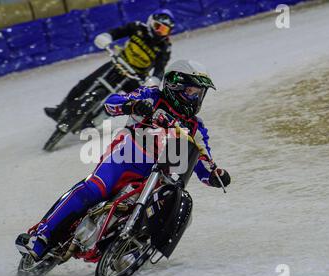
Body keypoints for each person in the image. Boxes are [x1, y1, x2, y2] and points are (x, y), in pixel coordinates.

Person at [19, 60, 231, 260]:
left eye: (199, 93)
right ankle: (41, 236)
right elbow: (111, 104)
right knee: (95, 189)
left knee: (166, 205)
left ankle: (129, 250)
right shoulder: (152, 96)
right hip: (125, 157)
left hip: (157, 175)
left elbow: (202, 158)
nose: (196, 98)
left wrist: (214, 175)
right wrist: (132, 106)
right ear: (175, 86)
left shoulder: (195, 126)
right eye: (191, 92)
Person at [44, 9, 175, 122]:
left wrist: (154, 80)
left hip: (135, 76)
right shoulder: (137, 27)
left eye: (164, 31)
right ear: (150, 22)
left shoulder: (164, 47)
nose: (159, 32)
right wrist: (107, 37)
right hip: (118, 63)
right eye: (158, 27)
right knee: (84, 84)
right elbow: (117, 32)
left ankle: (97, 121)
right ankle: (59, 110)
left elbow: (160, 67)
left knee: (133, 103)